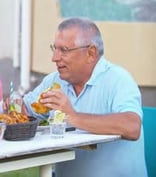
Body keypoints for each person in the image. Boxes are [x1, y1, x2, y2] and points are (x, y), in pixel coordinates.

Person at [21, 17, 147, 177]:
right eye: (54, 48)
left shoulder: (118, 79)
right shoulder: (54, 80)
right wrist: (5, 108)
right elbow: (23, 110)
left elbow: (132, 127)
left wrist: (72, 116)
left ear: (91, 53)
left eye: (64, 50)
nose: (54, 58)